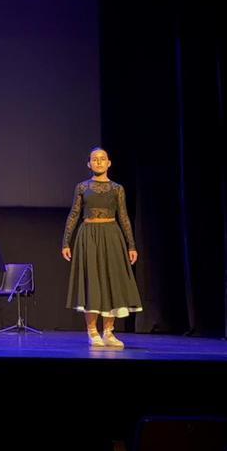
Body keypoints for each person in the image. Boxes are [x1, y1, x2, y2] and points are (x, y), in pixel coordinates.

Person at [62, 147, 142, 348]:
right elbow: (74, 214)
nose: (98, 162)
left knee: (112, 281)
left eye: (102, 159)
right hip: (88, 235)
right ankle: (92, 331)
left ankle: (108, 331)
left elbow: (123, 217)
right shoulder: (82, 187)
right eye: (95, 159)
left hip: (112, 235)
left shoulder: (117, 188)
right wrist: (66, 241)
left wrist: (131, 245)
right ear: (89, 164)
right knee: (93, 282)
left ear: (109, 163)